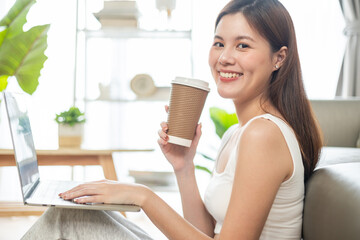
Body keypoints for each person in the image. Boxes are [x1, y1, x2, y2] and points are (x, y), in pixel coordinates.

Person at [22, 0, 322, 239]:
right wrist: (183, 165)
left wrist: (143, 196)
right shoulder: (238, 132)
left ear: (278, 58)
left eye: (242, 45)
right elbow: (206, 233)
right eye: (219, 43)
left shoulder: (263, 134)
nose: (224, 58)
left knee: (63, 220)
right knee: (70, 215)